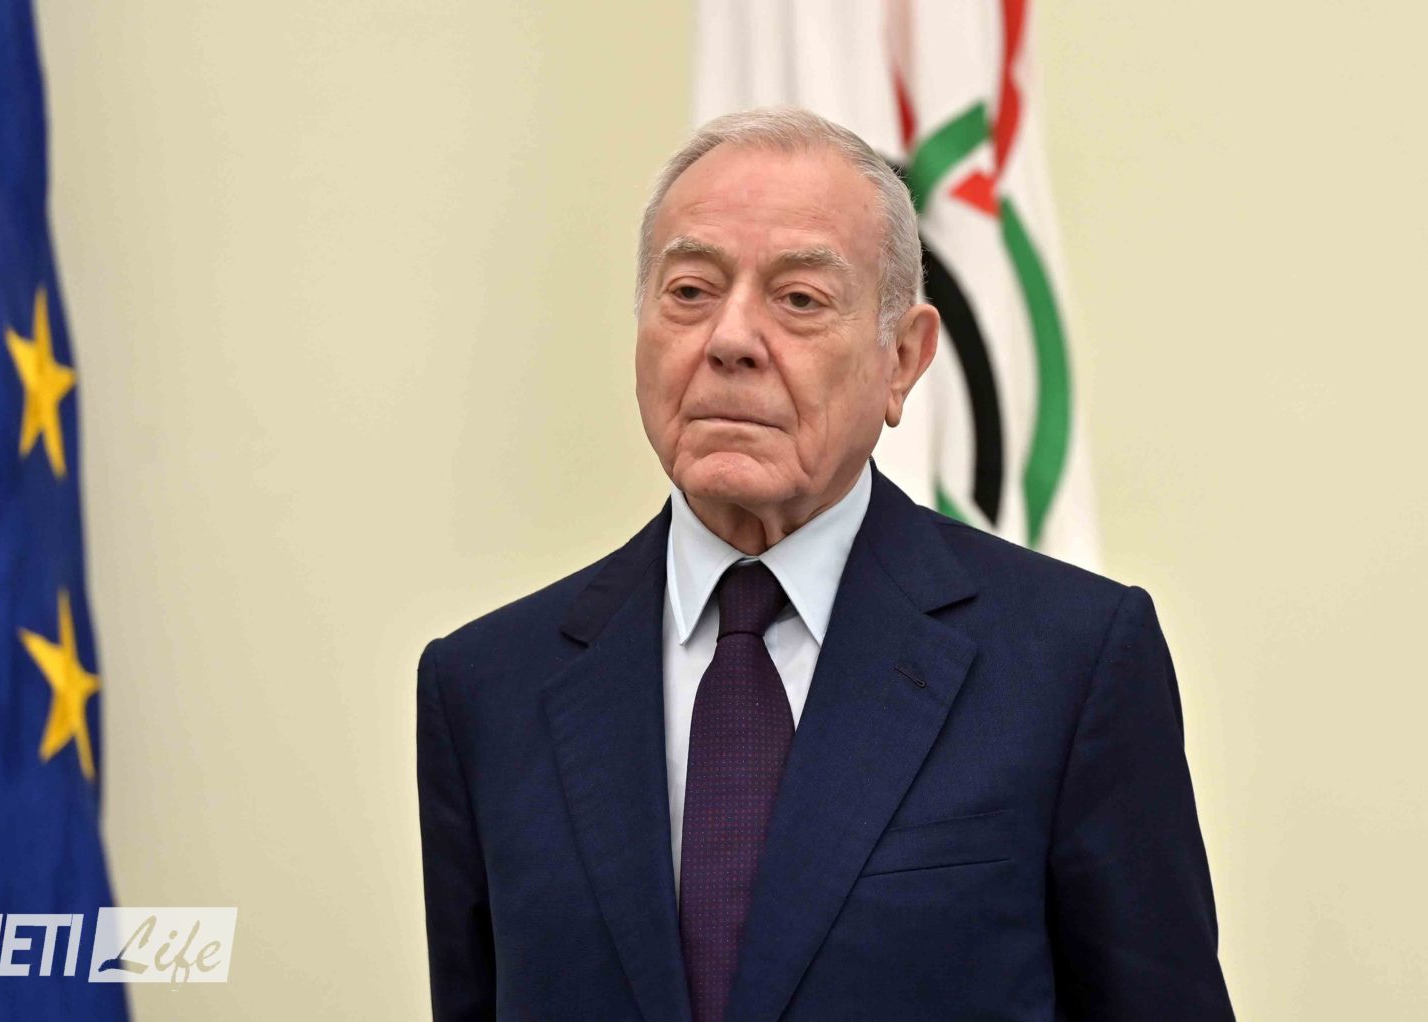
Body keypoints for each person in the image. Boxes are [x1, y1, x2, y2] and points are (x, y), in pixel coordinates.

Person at [416, 106, 1234, 1021]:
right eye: (690, 291)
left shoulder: (1070, 665)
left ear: (903, 360)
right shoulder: (484, 687)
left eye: (799, 299)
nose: (730, 339)